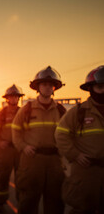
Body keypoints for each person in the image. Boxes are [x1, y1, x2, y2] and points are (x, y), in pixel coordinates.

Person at [12, 66, 66, 214]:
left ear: (54, 88)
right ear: (38, 87)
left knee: (55, 200)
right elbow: (16, 131)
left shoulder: (61, 111)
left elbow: (67, 135)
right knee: (29, 199)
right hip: (32, 159)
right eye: (44, 84)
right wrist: (23, 146)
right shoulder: (27, 109)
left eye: (50, 85)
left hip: (55, 161)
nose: (47, 88)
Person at [55, 65, 104, 214]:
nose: (103, 91)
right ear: (90, 88)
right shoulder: (78, 112)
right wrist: (75, 154)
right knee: (82, 207)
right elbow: (61, 134)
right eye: (100, 87)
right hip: (85, 170)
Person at [0, 84, 24, 212]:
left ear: (18, 98)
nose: (13, 99)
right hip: (5, 150)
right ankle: (0, 200)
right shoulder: (2, 114)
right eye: (11, 97)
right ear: (7, 99)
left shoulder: (23, 112)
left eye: (16, 97)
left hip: (19, 149)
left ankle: (21, 200)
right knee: (2, 175)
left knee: (21, 176)